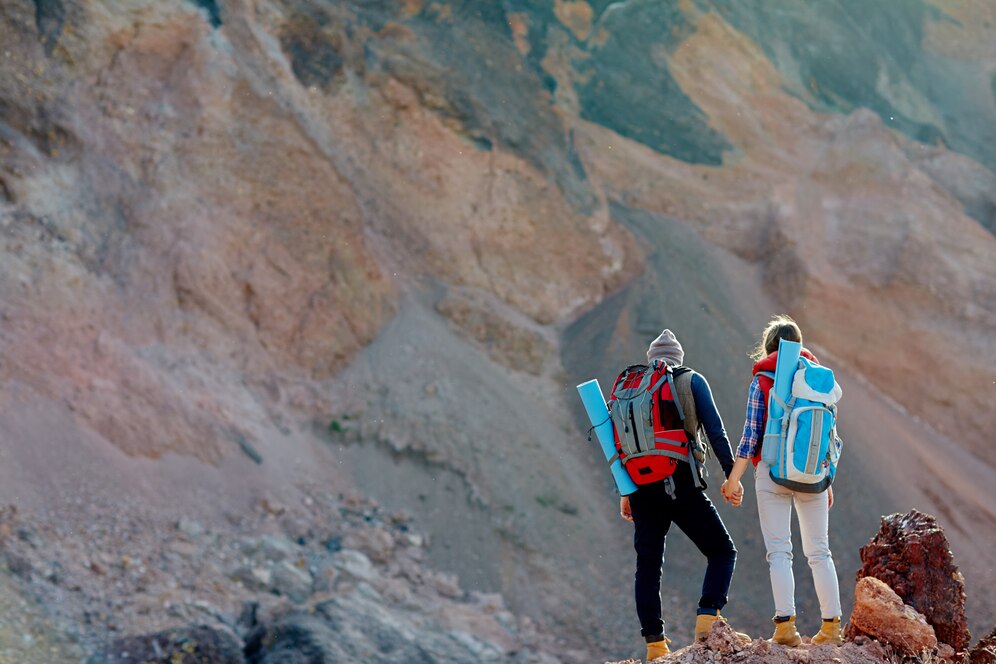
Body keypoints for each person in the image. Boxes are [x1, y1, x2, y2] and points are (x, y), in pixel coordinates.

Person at [618, 329, 748, 661]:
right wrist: (732, 477)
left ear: (651, 360)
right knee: (722, 551)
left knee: (647, 566)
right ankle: (707, 620)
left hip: (640, 490)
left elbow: (617, 445)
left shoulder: (630, 388)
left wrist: (624, 493)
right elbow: (715, 432)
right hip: (680, 482)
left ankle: (655, 645)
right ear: (678, 359)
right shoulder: (691, 381)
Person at [721, 315, 843, 647]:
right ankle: (832, 628)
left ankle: (786, 628)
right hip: (814, 477)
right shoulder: (819, 383)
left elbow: (750, 435)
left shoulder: (763, 378)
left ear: (768, 347)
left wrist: (733, 480)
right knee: (820, 552)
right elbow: (827, 438)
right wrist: (826, 480)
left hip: (771, 473)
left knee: (779, 552)